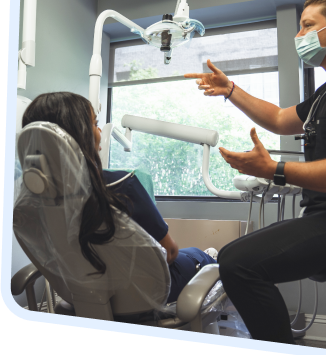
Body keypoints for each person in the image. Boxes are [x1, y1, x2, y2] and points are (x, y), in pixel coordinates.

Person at [184, 0, 326, 344]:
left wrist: (275, 169)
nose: (298, 36)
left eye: (307, 25)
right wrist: (231, 89)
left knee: (238, 263)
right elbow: (278, 118)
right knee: (232, 256)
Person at [21, 92, 216, 305]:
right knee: (199, 256)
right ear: (79, 134)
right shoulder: (122, 184)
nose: (99, 132)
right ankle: (208, 257)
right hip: (149, 294)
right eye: (94, 124)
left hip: (81, 295)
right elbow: (169, 252)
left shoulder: (29, 205)